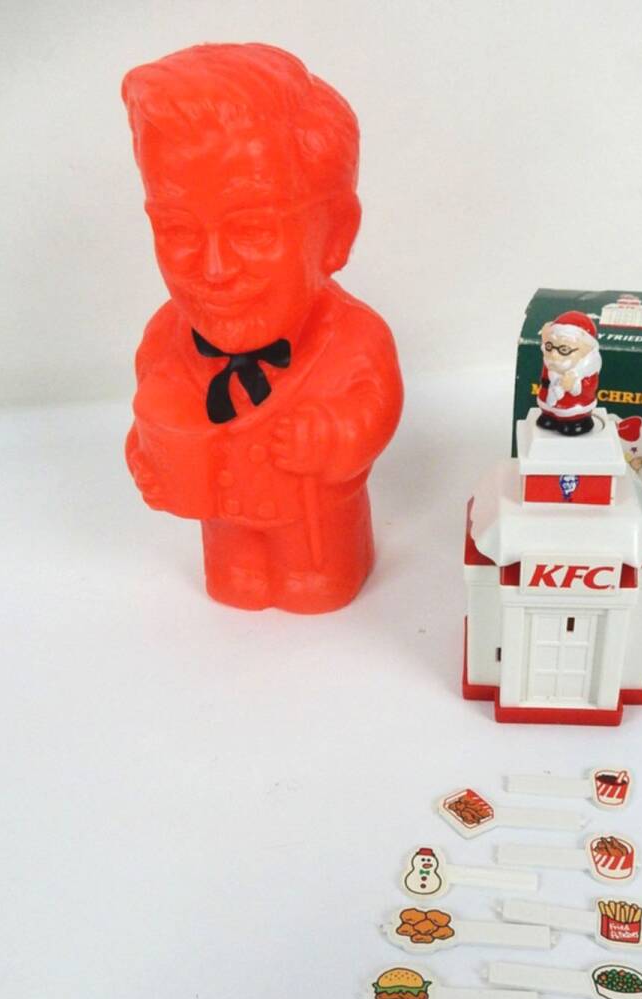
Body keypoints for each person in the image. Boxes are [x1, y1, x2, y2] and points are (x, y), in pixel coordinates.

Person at [121, 43, 403, 612]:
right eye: (177, 230)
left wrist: (333, 436)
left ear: (336, 232)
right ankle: (240, 571)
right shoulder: (165, 338)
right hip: (225, 524)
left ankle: (323, 576)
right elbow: (153, 413)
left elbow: (376, 408)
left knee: (316, 584)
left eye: (252, 230)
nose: (214, 269)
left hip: (315, 527)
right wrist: (146, 457)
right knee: (235, 581)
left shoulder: (353, 337)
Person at [536, 311, 601, 435]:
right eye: (550, 347)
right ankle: (549, 416)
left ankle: (575, 422)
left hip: (574, 407)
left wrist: (573, 386)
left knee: (573, 418)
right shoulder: (551, 363)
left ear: (586, 351)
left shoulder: (585, 371)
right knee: (547, 414)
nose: (554, 354)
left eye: (564, 349)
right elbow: (545, 377)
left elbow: (589, 389)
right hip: (548, 401)